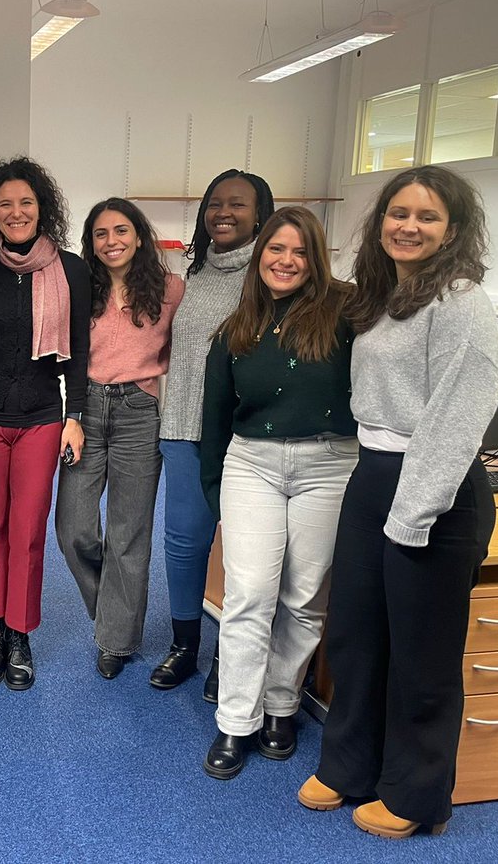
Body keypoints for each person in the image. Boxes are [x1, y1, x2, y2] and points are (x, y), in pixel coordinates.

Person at [298, 166, 498, 838]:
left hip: (434, 492)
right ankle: (350, 766)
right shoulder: (386, 296)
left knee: (422, 653)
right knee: (357, 634)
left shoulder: (462, 306)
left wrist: (411, 517)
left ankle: (417, 798)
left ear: (454, 229)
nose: (408, 226)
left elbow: (453, 425)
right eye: (398, 213)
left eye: (427, 217)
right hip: (373, 474)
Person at [197, 206, 357, 780]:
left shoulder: (345, 315)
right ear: (258, 256)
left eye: (298, 252)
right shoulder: (235, 329)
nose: (285, 261)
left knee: (305, 596)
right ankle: (235, 721)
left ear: (315, 260)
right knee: (249, 594)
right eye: (275, 250)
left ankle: (280, 706)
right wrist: (217, 496)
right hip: (252, 466)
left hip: (329, 464)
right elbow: (213, 421)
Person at [0, 157, 90, 691]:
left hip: (42, 419)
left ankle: (20, 634)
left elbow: (78, 350)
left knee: (29, 531)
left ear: (43, 209)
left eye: (26, 203)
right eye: (5, 204)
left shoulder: (70, 269)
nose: (16, 213)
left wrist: (76, 415)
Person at [152, 169, 275, 695]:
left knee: (245, 552)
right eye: (215, 203)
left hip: (243, 438)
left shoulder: (271, 276)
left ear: (259, 215)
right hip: (182, 426)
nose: (224, 212)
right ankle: (185, 645)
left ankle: (231, 656)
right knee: (184, 542)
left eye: (238, 204)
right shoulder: (194, 275)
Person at [55, 198, 184, 679]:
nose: (112, 242)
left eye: (121, 231)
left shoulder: (170, 290)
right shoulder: (78, 289)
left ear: (139, 235)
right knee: (73, 530)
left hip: (138, 413)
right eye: (101, 234)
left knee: (129, 535)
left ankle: (116, 639)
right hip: (85, 412)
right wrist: (69, 412)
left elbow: (185, 348)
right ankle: (112, 608)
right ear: (90, 242)